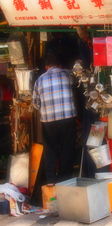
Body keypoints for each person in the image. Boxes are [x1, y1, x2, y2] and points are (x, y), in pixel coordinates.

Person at [32, 52, 77, 185]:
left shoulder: (39, 80)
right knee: (67, 148)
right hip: (67, 118)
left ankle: (51, 180)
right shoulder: (68, 74)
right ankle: (66, 179)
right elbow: (77, 87)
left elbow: (36, 104)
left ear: (46, 66)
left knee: (50, 150)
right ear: (60, 64)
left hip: (48, 121)